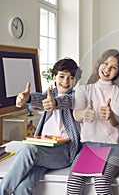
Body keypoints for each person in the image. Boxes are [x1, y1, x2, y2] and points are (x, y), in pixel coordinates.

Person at [0, 58, 81, 195]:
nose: (66, 81)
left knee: (28, 150)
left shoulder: (77, 96)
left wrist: (54, 103)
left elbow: (66, 101)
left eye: (71, 78)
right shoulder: (49, 94)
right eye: (61, 76)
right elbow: (39, 100)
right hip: (44, 149)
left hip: (64, 151)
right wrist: (27, 99)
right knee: (22, 189)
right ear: (54, 77)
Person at [66, 49, 119, 195]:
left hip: (114, 147)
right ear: (99, 64)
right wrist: (84, 114)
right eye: (105, 63)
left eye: (113, 67)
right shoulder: (83, 90)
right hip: (89, 147)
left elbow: (117, 122)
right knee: (73, 185)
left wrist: (111, 115)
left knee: (101, 183)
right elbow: (76, 113)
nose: (107, 69)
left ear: (118, 72)